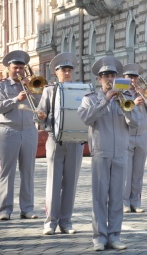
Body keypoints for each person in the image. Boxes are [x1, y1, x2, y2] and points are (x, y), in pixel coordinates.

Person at [77, 56, 141, 251]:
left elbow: (137, 123)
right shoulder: (90, 99)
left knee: (116, 196)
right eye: (105, 76)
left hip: (120, 151)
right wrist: (105, 100)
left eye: (112, 75)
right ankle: (99, 237)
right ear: (99, 79)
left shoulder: (126, 98)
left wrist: (125, 105)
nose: (109, 79)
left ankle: (115, 235)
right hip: (101, 152)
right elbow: (86, 118)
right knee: (99, 196)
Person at [36, 53, 84, 235]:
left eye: (69, 70)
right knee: (53, 182)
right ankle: (50, 222)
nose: (67, 72)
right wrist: (41, 116)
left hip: (75, 141)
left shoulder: (81, 90)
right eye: (63, 70)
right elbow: (40, 113)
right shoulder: (49, 90)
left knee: (71, 183)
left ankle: (66, 221)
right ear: (56, 72)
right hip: (55, 140)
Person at [0, 50, 41, 220]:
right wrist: (16, 99)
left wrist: (32, 91)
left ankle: (27, 208)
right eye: (15, 68)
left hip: (30, 129)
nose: (19, 71)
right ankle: (4, 209)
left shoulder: (31, 84)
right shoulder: (2, 86)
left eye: (21, 68)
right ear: (8, 68)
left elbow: (40, 106)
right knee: (6, 172)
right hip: (8, 130)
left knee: (28, 171)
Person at [122, 63, 147, 213]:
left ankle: (136, 202)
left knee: (138, 171)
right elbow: (120, 111)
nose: (133, 80)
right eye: (130, 77)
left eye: (135, 77)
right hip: (127, 135)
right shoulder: (121, 94)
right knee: (126, 172)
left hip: (142, 135)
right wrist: (134, 104)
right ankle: (124, 202)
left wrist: (145, 95)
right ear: (124, 78)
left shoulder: (142, 93)